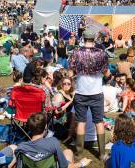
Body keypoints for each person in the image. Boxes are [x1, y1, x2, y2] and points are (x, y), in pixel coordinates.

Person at [69, 28, 109, 159]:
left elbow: (70, 73)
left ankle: (79, 153)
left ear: (83, 38)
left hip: (81, 92)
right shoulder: (101, 53)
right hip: (96, 92)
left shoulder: (76, 52)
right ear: (94, 39)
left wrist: (76, 74)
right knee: (99, 122)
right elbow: (106, 73)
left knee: (81, 122)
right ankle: (102, 154)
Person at [16, 112, 90, 168]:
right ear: (45, 126)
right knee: (68, 152)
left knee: (67, 152)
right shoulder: (53, 143)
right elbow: (65, 166)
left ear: (29, 128)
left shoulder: (21, 147)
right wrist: (81, 163)